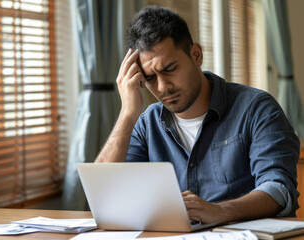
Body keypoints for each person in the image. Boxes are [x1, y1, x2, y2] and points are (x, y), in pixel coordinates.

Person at [95, 6, 300, 224]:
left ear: (196, 55)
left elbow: (279, 189)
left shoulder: (257, 108)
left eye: (170, 69)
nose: (163, 87)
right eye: (150, 78)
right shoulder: (147, 123)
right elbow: (103, 194)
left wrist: (219, 211)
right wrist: (127, 114)